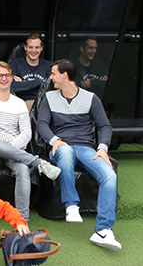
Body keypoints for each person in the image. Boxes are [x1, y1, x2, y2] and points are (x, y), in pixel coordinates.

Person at [37, 59, 120, 251]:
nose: (51, 78)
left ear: (64, 75)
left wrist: (102, 148)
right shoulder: (49, 97)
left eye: (53, 74)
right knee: (65, 151)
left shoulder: (91, 98)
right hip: (60, 146)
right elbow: (41, 124)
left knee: (109, 174)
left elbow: (104, 126)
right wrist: (55, 140)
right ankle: (71, 205)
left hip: (86, 148)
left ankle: (103, 230)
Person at [0, 61, 61, 221]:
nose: (3, 79)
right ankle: (37, 162)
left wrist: (13, 146)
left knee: (22, 168)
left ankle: (23, 221)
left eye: (7, 75)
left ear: (12, 78)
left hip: (14, 152)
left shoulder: (19, 103)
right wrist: (10, 143)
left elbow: (27, 131)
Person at [9, 33, 52, 110]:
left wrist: (22, 85)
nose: (34, 50)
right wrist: (40, 82)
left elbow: (50, 89)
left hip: (43, 104)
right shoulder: (15, 64)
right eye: (30, 47)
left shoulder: (48, 66)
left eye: (37, 47)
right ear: (25, 48)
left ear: (41, 48)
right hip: (20, 104)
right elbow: (12, 87)